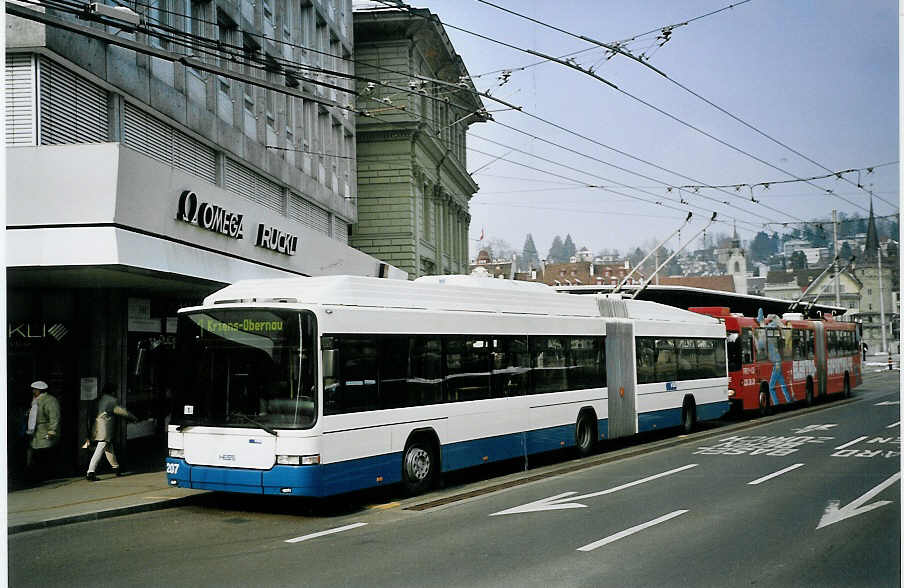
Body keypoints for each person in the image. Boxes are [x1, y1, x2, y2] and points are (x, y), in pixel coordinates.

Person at [86, 384, 138, 481]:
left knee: (108, 448)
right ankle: (90, 472)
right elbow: (122, 411)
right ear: (112, 391)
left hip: (97, 426)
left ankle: (116, 468)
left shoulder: (99, 399)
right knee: (100, 448)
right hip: (104, 428)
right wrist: (133, 418)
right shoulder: (111, 400)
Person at [25, 380, 61, 483]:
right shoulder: (36, 400)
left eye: (35, 389)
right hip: (35, 432)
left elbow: (54, 416)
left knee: (44, 453)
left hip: (45, 431)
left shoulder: (50, 400)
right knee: (37, 454)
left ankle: (45, 476)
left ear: (40, 390)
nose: (33, 391)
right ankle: (38, 476)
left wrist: (52, 431)